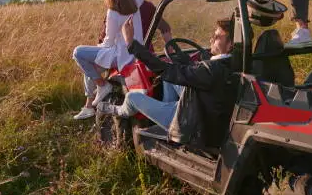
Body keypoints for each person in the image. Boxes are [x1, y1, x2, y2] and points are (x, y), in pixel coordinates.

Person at [97, 15, 237, 148]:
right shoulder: (232, 63)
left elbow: (164, 70)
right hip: (203, 107)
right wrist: (186, 62)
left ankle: (117, 110)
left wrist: (131, 44)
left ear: (231, 44)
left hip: (191, 122)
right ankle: (165, 112)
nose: (211, 39)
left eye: (217, 36)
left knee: (132, 97)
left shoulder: (211, 70)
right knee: (169, 80)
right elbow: (196, 74)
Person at [72, 0, 144, 120]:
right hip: (135, 54)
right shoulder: (136, 1)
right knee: (90, 67)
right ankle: (89, 107)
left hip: (120, 56)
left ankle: (102, 85)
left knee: (78, 52)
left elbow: (108, 42)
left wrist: (97, 47)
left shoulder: (113, 12)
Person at [98, 0, 173, 53]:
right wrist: (171, 55)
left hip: (122, 58)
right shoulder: (148, 6)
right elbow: (165, 28)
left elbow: (105, 39)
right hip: (148, 56)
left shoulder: (116, 8)